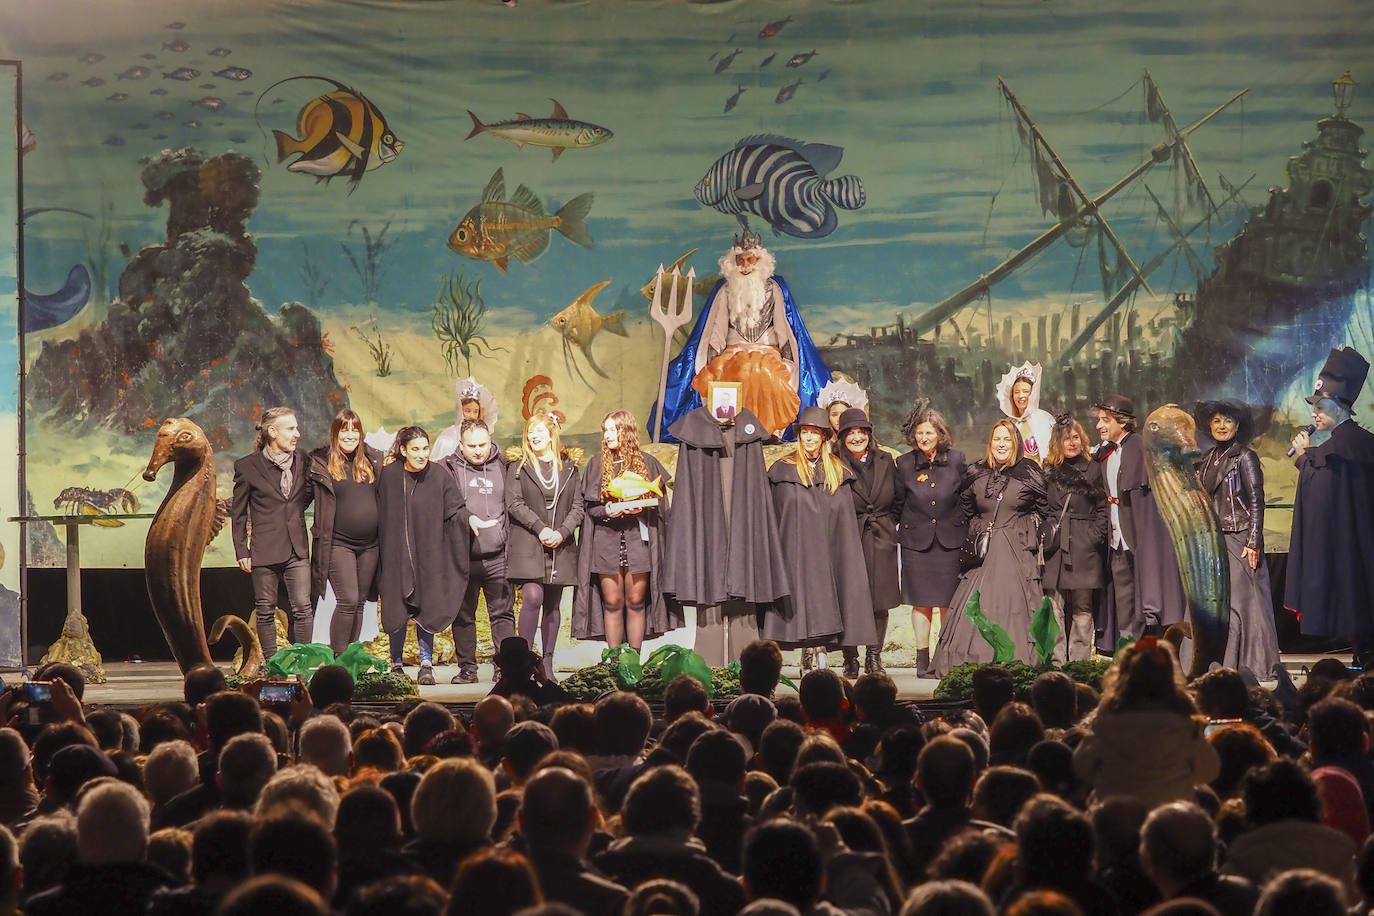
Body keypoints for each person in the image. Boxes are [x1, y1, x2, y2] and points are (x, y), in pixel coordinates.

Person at [657, 232, 831, 440]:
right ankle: (734, 433)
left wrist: (790, 360)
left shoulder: (775, 288)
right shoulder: (725, 291)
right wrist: (713, 363)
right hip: (733, 354)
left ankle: (766, 432)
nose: (745, 266)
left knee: (763, 374)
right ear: (733, 263)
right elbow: (716, 332)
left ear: (760, 261)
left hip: (768, 355)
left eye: (750, 260)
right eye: (741, 260)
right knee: (737, 372)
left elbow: (785, 329)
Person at [663, 402, 789, 666]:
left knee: (745, 603)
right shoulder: (694, 441)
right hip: (707, 535)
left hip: (742, 530)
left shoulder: (749, 440)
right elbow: (689, 497)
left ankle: (750, 670)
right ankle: (709, 670)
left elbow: (756, 497)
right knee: (708, 595)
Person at [763, 406, 876, 672]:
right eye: (805, 433)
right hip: (796, 550)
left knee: (829, 597)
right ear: (800, 436)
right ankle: (806, 652)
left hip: (829, 552)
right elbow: (778, 513)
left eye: (815, 433)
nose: (809, 438)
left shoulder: (837, 471)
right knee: (799, 600)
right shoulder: (783, 470)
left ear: (824, 437)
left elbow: (843, 522)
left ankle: (824, 651)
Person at [933, 419, 1047, 676]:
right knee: (975, 603)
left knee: (1012, 604)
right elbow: (966, 507)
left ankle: (1015, 659)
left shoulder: (1029, 471)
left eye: (1007, 439)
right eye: (997, 439)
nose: (1001, 444)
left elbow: (1044, 507)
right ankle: (973, 659)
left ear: (1016, 443)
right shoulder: (977, 471)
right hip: (982, 552)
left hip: (1016, 550)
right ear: (990, 443)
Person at [1286, 346, 1374, 666]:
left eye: (1320, 406)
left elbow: (1322, 495)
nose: (1314, 413)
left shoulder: (1337, 451)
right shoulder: (1362, 444)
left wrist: (1303, 457)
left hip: (1352, 550)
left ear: (1338, 406)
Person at [573, 409, 679, 653]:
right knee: (612, 602)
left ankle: (633, 660)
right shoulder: (597, 464)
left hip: (638, 541)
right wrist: (608, 510)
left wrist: (639, 507)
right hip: (606, 541)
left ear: (626, 431)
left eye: (613, 429)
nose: (608, 435)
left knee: (635, 601)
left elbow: (659, 507)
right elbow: (590, 508)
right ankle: (613, 663)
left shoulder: (647, 463)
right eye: (606, 430)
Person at [1071, 637, 1219, 808]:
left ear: (1123, 675)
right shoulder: (1185, 726)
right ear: (1170, 676)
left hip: (1114, 819)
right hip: (1171, 820)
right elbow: (1210, 770)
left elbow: (1081, 766)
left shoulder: (1106, 722)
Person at [376, 426, 469, 686]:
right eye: (415, 449)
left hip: (429, 555)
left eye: (425, 448)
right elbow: (378, 511)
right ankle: (396, 664)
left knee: (426, 606)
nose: (421, 454)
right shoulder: (389, 476)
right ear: (403, 450)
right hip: (396, 555)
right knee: (396, 608)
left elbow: (456, 509)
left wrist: (469, 521)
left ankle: (426, 663)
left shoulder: (438, 475)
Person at [1093, 393, 1186, 650]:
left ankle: (1162, 654)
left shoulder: (1140, 447)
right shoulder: (1105, 453)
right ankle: (1129, 655)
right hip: (1117, 539)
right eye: (1099, 420)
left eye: (1105, 420)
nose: (1099, 426)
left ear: (1122, 422)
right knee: (1125, 603)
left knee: (1151, 596)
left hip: (1141, 537)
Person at [1194, 400, 1281, 674]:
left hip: (1239, 536)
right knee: (1223, 605)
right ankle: (1224, 663)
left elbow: (1257, 500)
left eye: (1228, 421)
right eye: (1217, 420)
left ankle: (1255, 665)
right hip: (1214, 539)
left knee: (1246, 604)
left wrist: (1253, 541)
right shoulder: (1207, 458)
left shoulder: (1245, 456)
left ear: (1237, 425)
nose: (1221, 426)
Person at [891, 399, 967, 678]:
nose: (924, 438)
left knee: (947, 603)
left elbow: (966, 497)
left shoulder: (957, 460)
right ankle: (921, 660)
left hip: (950, 541)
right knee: (921, 603)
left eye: (930, 433)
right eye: (920, 433)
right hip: (916, 544)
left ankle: (944, 656)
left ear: (940, 435)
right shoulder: (904, 463)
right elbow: (898, 503)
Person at [507, 410, 584, 681]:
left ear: (551, 434)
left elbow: (578, 505)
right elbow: (514, 503)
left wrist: (562, 532)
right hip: (529, 542)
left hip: (560, 545)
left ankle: (547, 663)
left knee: (552, 604)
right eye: (530, 431)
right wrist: (540, 529)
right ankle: (523, 663)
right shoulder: (518, 467)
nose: (533, 436)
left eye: (539, 431)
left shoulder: (569, 468)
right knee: (532, 597)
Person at [232, 406, 314, 657]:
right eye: (291, 429)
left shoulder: (304, 460)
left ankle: (303, 665)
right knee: (265, 609)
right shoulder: (248, 466)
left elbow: (305, 496)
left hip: (296, 547)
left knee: (303, 608)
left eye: (296, 428)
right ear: (272, 432)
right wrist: (241, 550)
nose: (297, 433)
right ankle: (271, 664)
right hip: (264, 547)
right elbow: (239, 512)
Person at [442, 417, 516, 684]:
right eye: (471, 445)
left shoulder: (505, 465)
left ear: (491, 440)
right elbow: (444, 506)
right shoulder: (447, 468)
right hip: (462, 556)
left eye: (482, 444)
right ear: (461, 444)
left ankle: (504, 669)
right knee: (462, 616)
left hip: (497, 556)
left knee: (502, 614)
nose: (477, 450)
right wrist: (467, 518)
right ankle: (467, 669)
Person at [308, 409, 383, 655]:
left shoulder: (373, 461)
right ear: (335, 433)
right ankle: (337, 662)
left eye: (355, 429)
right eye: (345, 430)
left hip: (370, 546)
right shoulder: (321, 463)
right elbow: (295, 498)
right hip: (339, 544)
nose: (350, 435)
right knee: (348, 600)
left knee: (359, 603)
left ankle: (349, 658)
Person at [835, 407, 899, 676]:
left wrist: (886, 523)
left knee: (879, 600)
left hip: (880, 536)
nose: (857, 437)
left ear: (869, 434)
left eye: (862, 431)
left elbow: (898, 500)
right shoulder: (834, 461)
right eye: (851, 432)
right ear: (843, 437)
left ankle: (874, 656)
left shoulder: (885, 460)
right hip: (848, 537)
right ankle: (850, 657)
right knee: (848, 599)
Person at [1041, 414, 1107, 664]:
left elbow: (1103, 509)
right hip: (1056, 547)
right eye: (1066, 438)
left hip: (1083, 547)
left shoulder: (1093, 469)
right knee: (1054, 607)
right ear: (1057, 442)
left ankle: (1078, 664)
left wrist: (1092, 537)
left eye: (1076, 437)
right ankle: (1058, 663)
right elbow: (1042, 508)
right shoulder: (1048, 471)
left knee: (1083, 607)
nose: (1072, 443)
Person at [997, 362, 1055, 465]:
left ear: (1033, 393)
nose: (1021, 395)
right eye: (1016, 392)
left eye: (1025, 391)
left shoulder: (1045, 419)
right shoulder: (1008, 423)